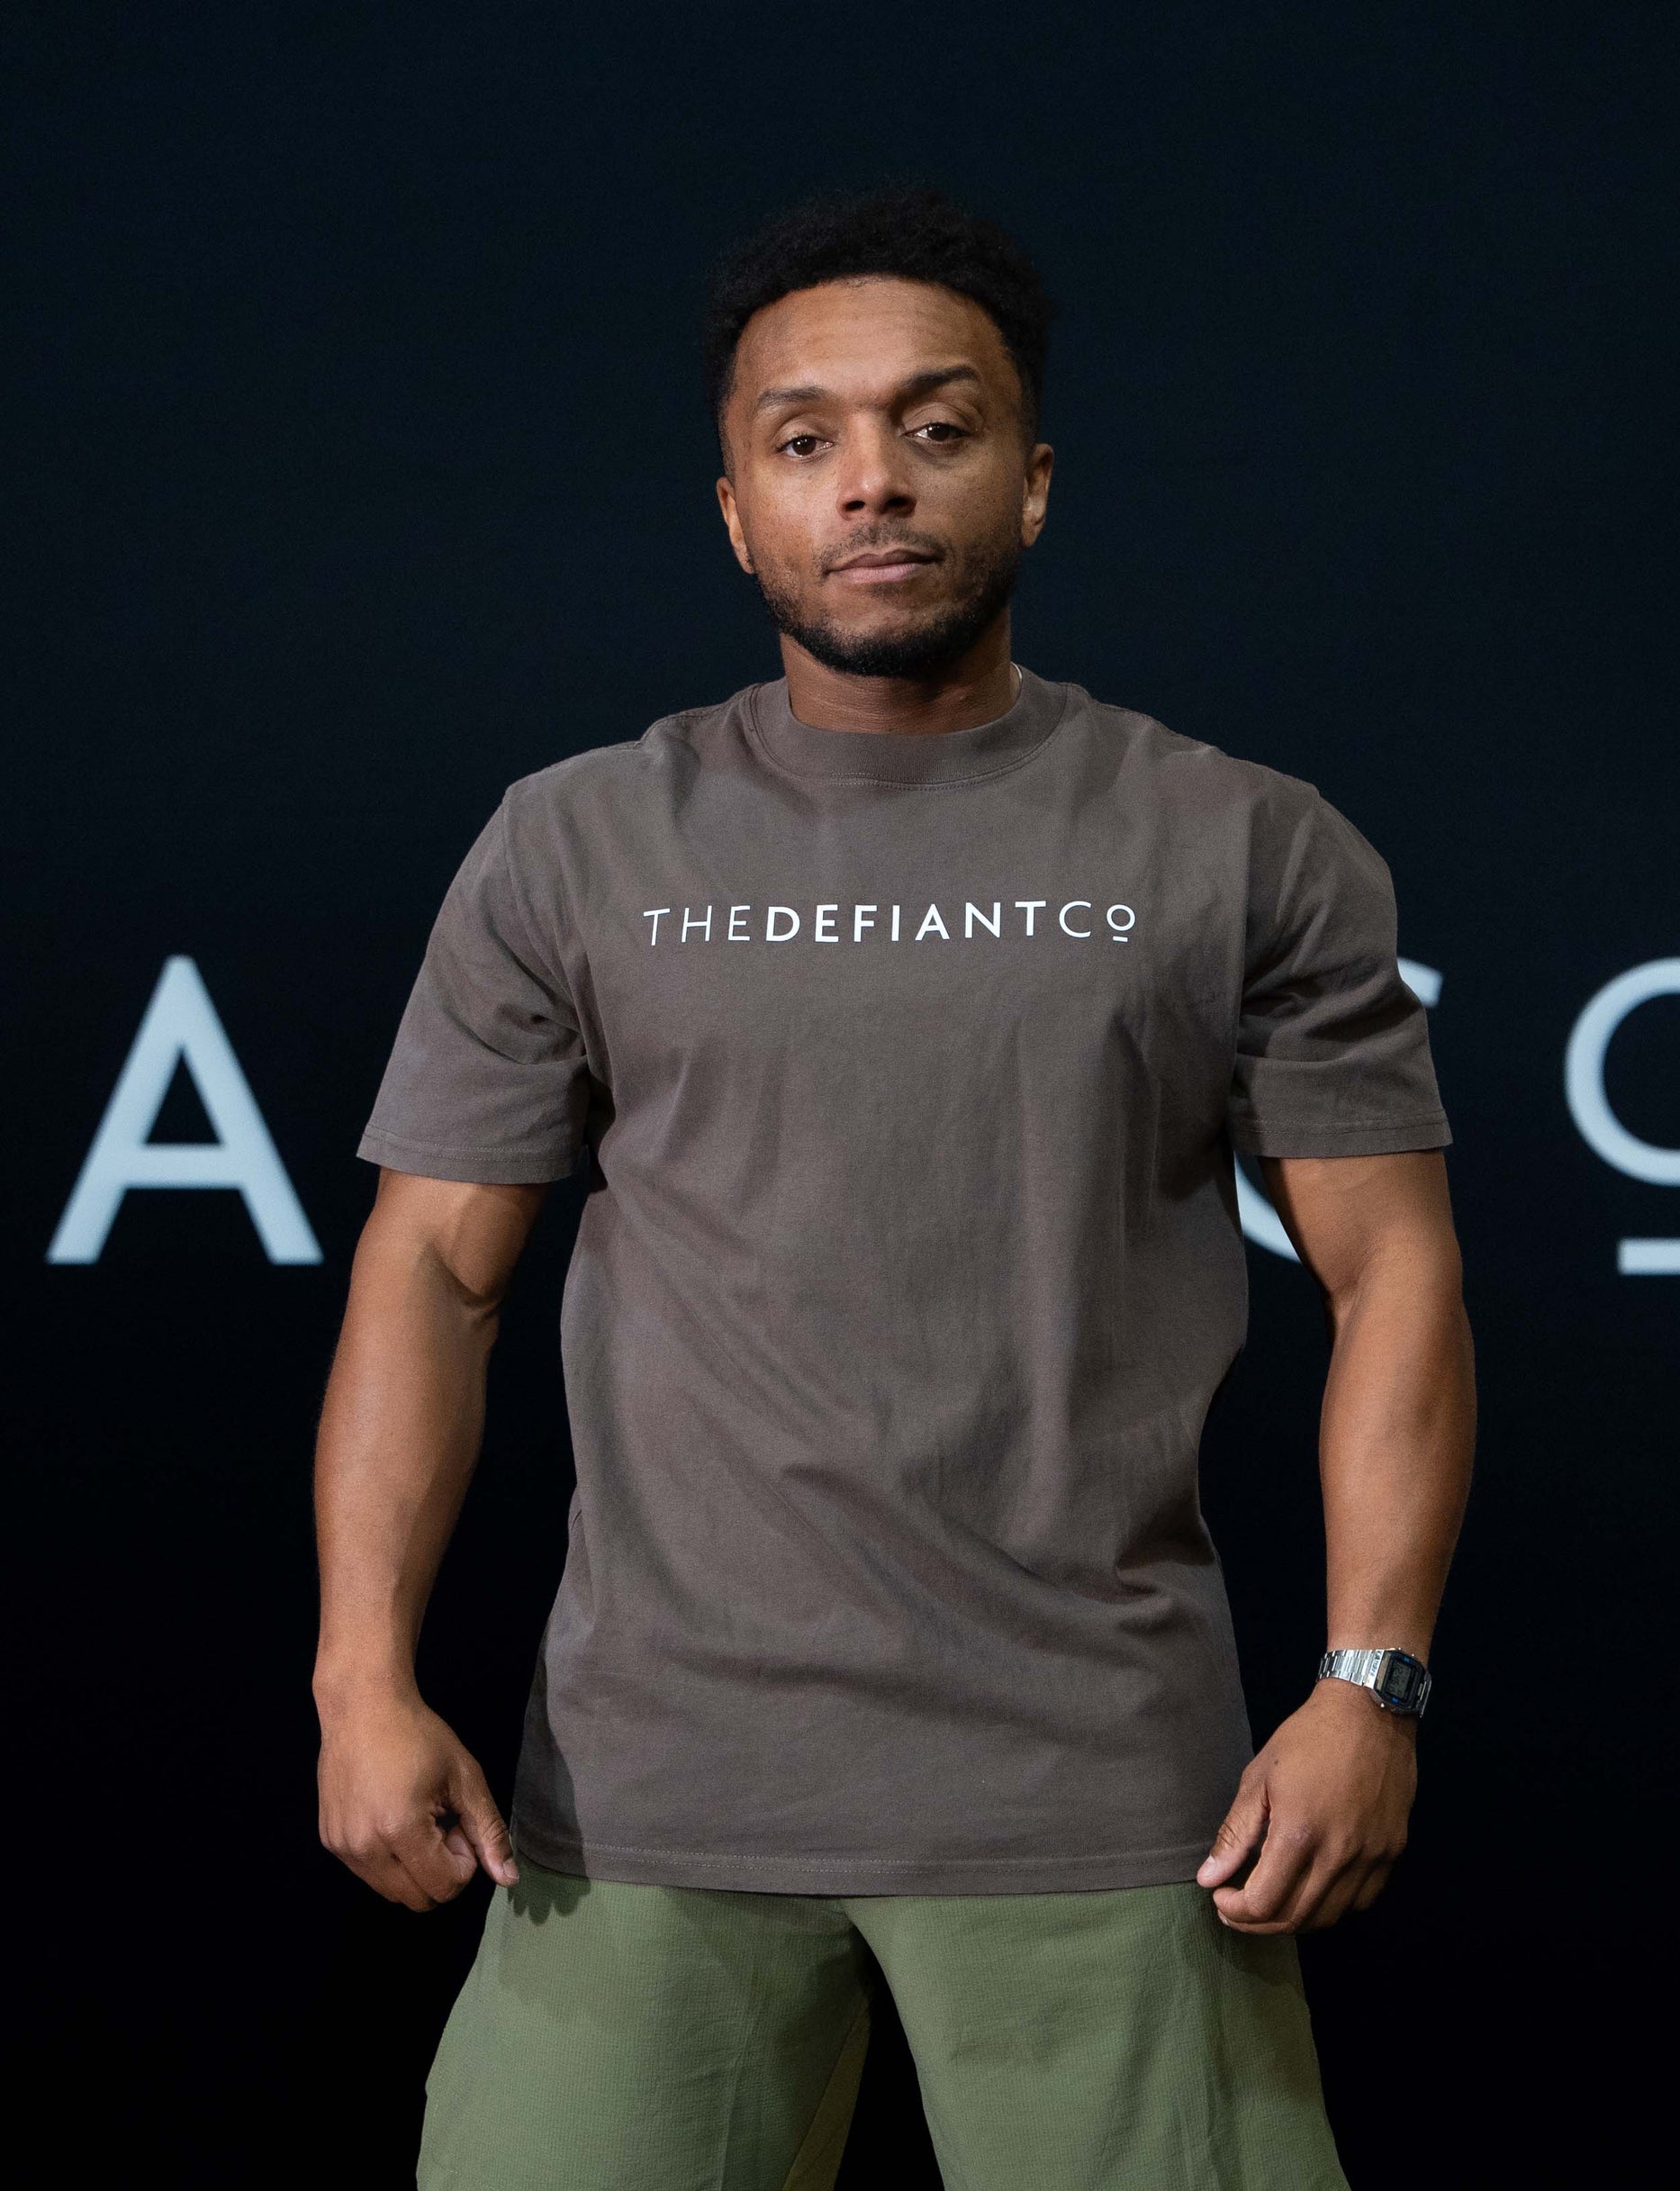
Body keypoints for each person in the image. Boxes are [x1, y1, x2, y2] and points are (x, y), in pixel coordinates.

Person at [312, 186, 1476, 2190]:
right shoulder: (575, 842)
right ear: (736, 509)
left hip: (1103, 1804)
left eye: (934, 429)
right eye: (806, 437)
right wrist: (359, 1673)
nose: (872, 481)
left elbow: (1398, 1283)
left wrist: (1368, 1685)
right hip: (651, 1802)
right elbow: (431, 1267)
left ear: (1029, 485)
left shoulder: (1240, 843)